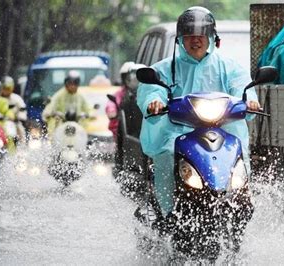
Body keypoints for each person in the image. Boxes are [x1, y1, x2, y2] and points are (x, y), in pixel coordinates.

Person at [136, 6, 261, 218]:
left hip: (223, 131)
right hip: (175, 133)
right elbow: (151, 90)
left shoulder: (228, 67)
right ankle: (167, 212)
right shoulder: (164, 69)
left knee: (238, 159)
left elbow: (242, 87)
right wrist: (154, 102)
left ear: (212, 38)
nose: (196, 41)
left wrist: (249, 101)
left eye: (201, 36)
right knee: (166, 155)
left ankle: (242, 203)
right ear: (180, 40)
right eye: (190, 36)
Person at [42, 70, 91, 135]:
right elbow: (49, 108)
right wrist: (50, 113)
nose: (73, 86)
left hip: (77, 131)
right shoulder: (59, 95)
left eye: (75, 84)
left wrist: (88, 114)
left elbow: (89, 109)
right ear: (66, 84)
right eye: (70, 83)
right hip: (59, 131)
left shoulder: (80, 96)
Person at [106, 62, 146, 141]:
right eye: (132, 77)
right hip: (128, 134)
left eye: (139, 77)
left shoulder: (153, 93)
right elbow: (112, 104)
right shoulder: (124, 95)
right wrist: (112, 111)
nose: (135, 80)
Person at [1, 76, 27, 143]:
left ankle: (21, 148)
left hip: (14, 122)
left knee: (21, 131)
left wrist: (20, 118)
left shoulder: (16, 98)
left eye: (8, 88)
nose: (6, 90)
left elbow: (22, 109)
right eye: (4, 88)